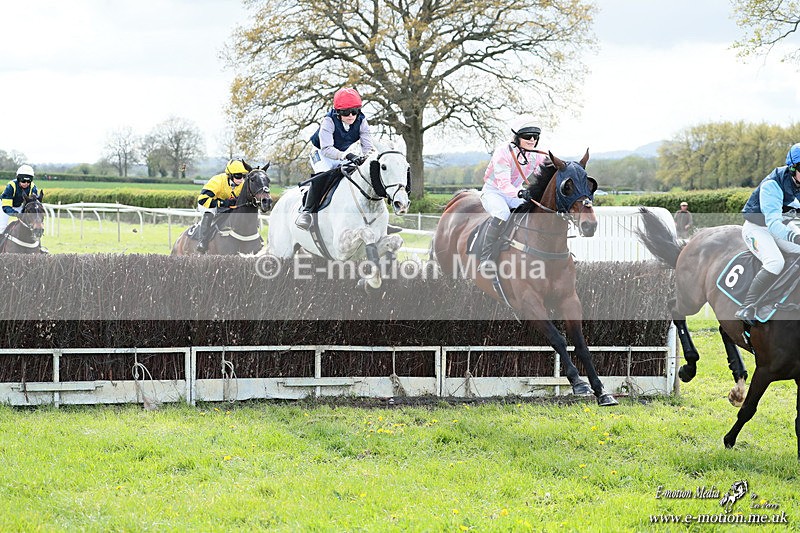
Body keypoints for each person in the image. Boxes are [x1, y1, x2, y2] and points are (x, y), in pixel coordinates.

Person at [735, 142, 800, 325]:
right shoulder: (773, 184)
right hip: (758, 228)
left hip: (781, 225)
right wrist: (795, 237)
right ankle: (747, 306)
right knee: (775, 261)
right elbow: (773, 224)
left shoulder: (797, 180)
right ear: (792, 168)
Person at [296, 87, 375, 230]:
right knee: (322, 176)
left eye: (354, 111)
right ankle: (307, 212)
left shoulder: (362, 121)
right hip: (321, 152)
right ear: (338, 112)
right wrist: (347, 155)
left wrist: (366, 159)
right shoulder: (328, 121)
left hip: (341, 153)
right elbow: (327, 149)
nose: (351, 116)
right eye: (346, 112)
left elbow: (367, 148)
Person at [478, 118, 548, 269]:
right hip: (494, 192)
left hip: (516, 191)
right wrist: (522, 193)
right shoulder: (503, 153)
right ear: (517, 137)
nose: (532, 139)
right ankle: (486, 257)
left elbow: (543, 174)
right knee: (502, 213)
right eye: (527, 136)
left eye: (535, 136)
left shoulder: (537, 155)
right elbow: (504, 185)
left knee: (534, 211)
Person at [195, 159, 248, 253]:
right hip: (209, 204)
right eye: (238, 176)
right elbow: (203, 199)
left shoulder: (241, 184)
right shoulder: (217, 181)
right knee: (209, 213)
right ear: (230, 175)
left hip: (225, 206)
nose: (242, 179)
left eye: (244, 176)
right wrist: (223, 203)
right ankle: (202, 241)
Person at [1, 164, 39, 234]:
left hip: (19, 206)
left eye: (28, 181)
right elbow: (6, 207)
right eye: (23, 181)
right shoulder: (11, 186)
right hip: (4, 206)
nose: (26, 184)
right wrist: (16, 214)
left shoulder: (33, 188)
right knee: (1, 228)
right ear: (18, 179)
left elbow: (33, 205)